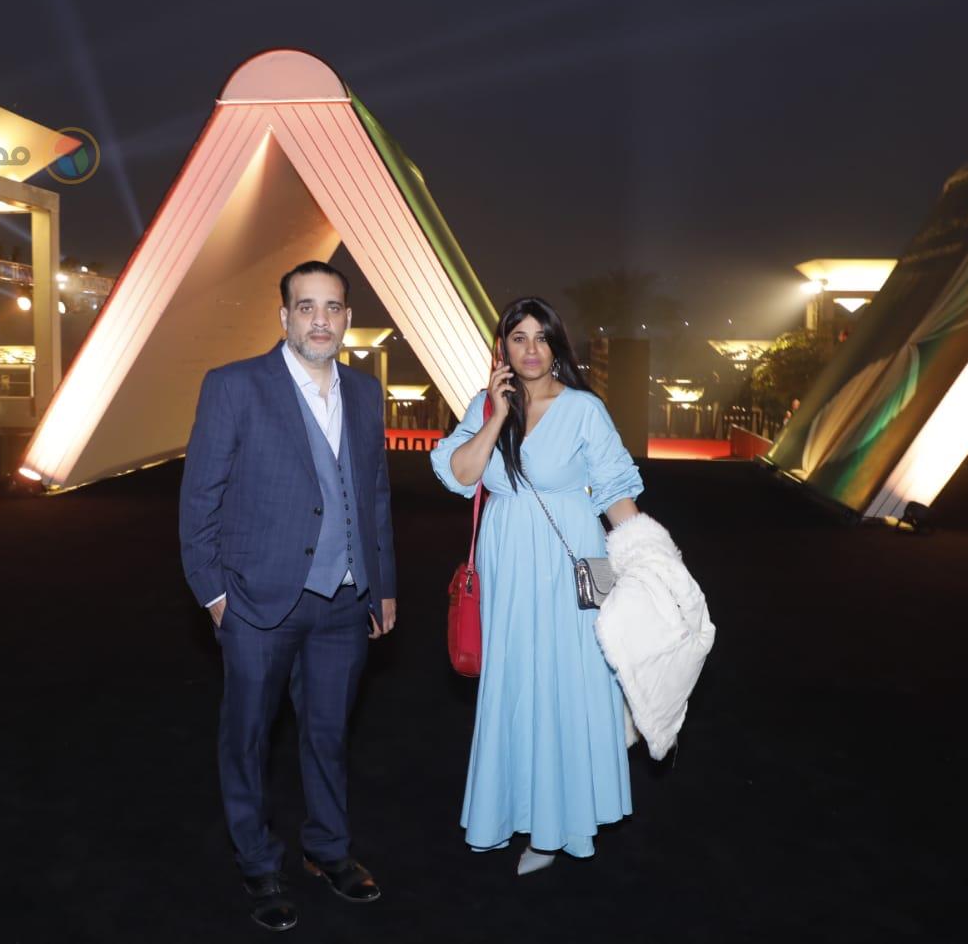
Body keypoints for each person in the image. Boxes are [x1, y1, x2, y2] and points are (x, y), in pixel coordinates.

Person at [178, 261, 396, 933]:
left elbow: (374, 494)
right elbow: (199, 498)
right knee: (247, 736)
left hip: (345, 601)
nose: (320, 320)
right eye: (306, 307)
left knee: (328, 734)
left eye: (332, 307)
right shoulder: (235, 385)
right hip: (255, 601)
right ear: (284, 317)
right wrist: (213, 593)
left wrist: (383, 585)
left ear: (347, 319)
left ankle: (328, 849)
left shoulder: (365, 392)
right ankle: (257, 862)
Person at [430, 296, 644, 875]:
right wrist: (497, 415)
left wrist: (652, 563)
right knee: (517, 684)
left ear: (556, 347)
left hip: (578, 559)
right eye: (518, 337)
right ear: (502, 347)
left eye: (541, 337)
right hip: (507, 563)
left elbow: (615, 494)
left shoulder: (584, 409)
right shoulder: (484, 406)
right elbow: (461, 474)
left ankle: (559, 828)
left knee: (576, 679)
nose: (530, 349)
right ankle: (509, 815)